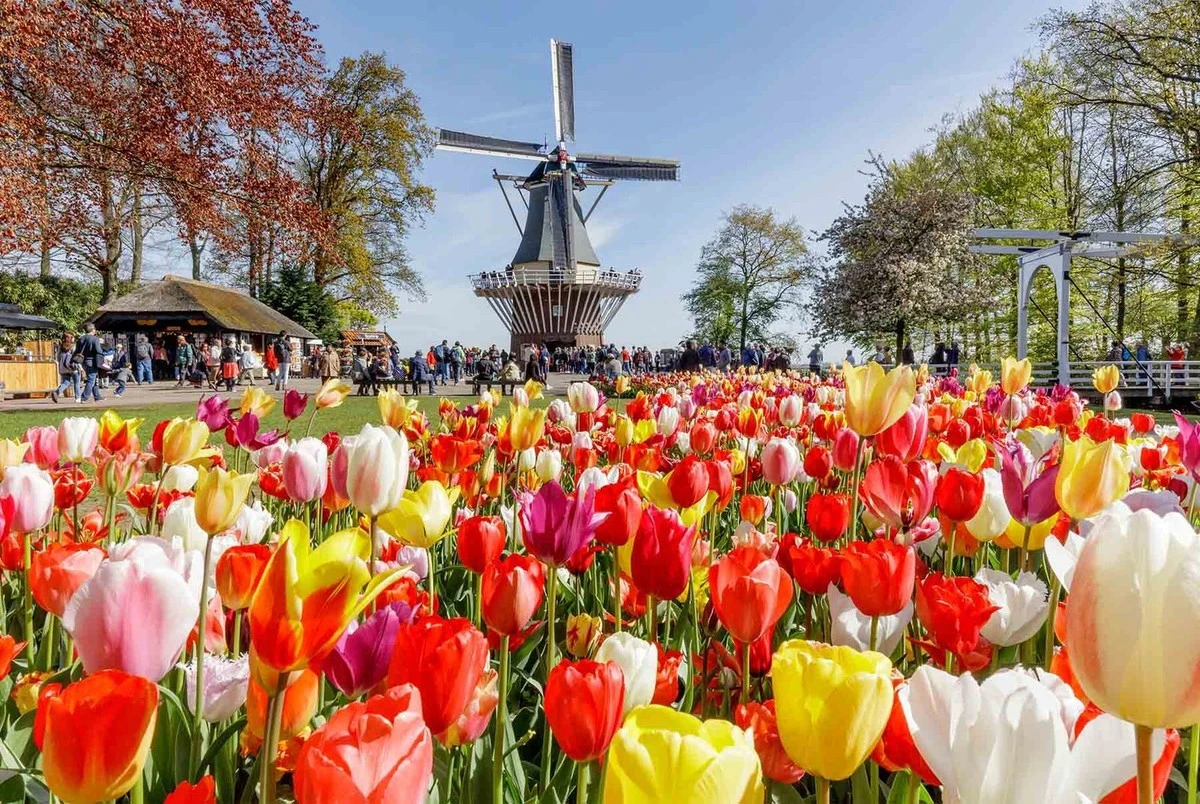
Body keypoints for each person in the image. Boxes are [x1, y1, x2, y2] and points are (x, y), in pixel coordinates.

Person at [73, 322, 104, 402]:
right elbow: (99, 351)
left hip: (83, 361)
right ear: (93, 330)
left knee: (93, 378)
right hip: (92, 361)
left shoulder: (81, 339)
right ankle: (84, 397)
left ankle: (97, 396)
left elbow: (77, 351)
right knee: (91, 379)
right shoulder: (95, 339)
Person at [50, 336, 79, 403]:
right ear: (70, 339)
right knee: (76, 383)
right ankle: (78, 398)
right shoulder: (73, 346)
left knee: (66, 382)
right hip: (73, 367)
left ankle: (56, 392)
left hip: (63, 368)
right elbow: (76, 357)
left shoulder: (61, 347)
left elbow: (57, 357)